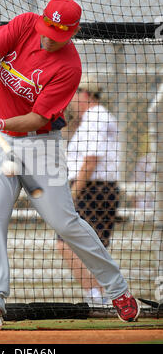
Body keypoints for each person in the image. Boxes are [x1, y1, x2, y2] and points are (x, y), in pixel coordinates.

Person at [0, 0, 140, 329]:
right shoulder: (24, 24)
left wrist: (1, 124)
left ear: (71, 33)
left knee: (65, 224)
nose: (48, 38)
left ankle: (117, 289)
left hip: (40, 148)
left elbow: (35, 118)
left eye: (57, 35)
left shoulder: (69, 68)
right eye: (47, 30)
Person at [57, 75, 121, 305]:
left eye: (74, 94)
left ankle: (98, 296)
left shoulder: (95, 118)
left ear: (84, 94)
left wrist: (73, 194)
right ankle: (102, 295)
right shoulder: (95, 118)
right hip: (99, 189)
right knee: (91, 246)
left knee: (66, 243)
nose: (71, 100)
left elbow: (91, 160)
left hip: (92, 189)